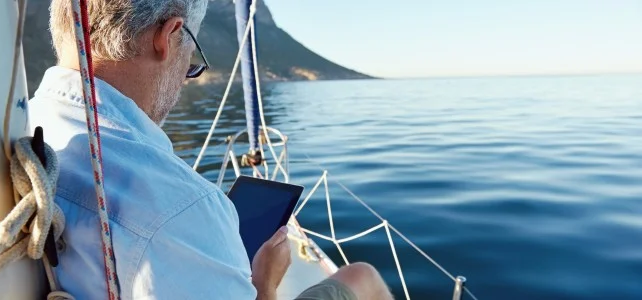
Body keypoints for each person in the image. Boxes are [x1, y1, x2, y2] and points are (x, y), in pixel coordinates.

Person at [30, 0, 392, 299]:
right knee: (362, 276)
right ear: (168, 36)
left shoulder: (25, 128)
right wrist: (262, 285)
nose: (187, 76)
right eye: (192, 60)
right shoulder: (181, 213)